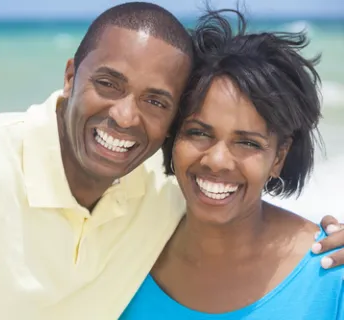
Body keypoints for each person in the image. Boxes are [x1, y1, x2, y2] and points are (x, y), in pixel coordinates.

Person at [0, 2, 342, 320]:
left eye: (156, 101)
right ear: (71, 75)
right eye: (108, 84)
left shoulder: (156, 197)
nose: (124, 117)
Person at [121, 9, 344, 319]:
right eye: (198, 133)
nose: (217, 160)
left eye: (248, 142)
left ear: (278, 157)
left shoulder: (331, 275)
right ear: (173, 137)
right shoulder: (120, 259)